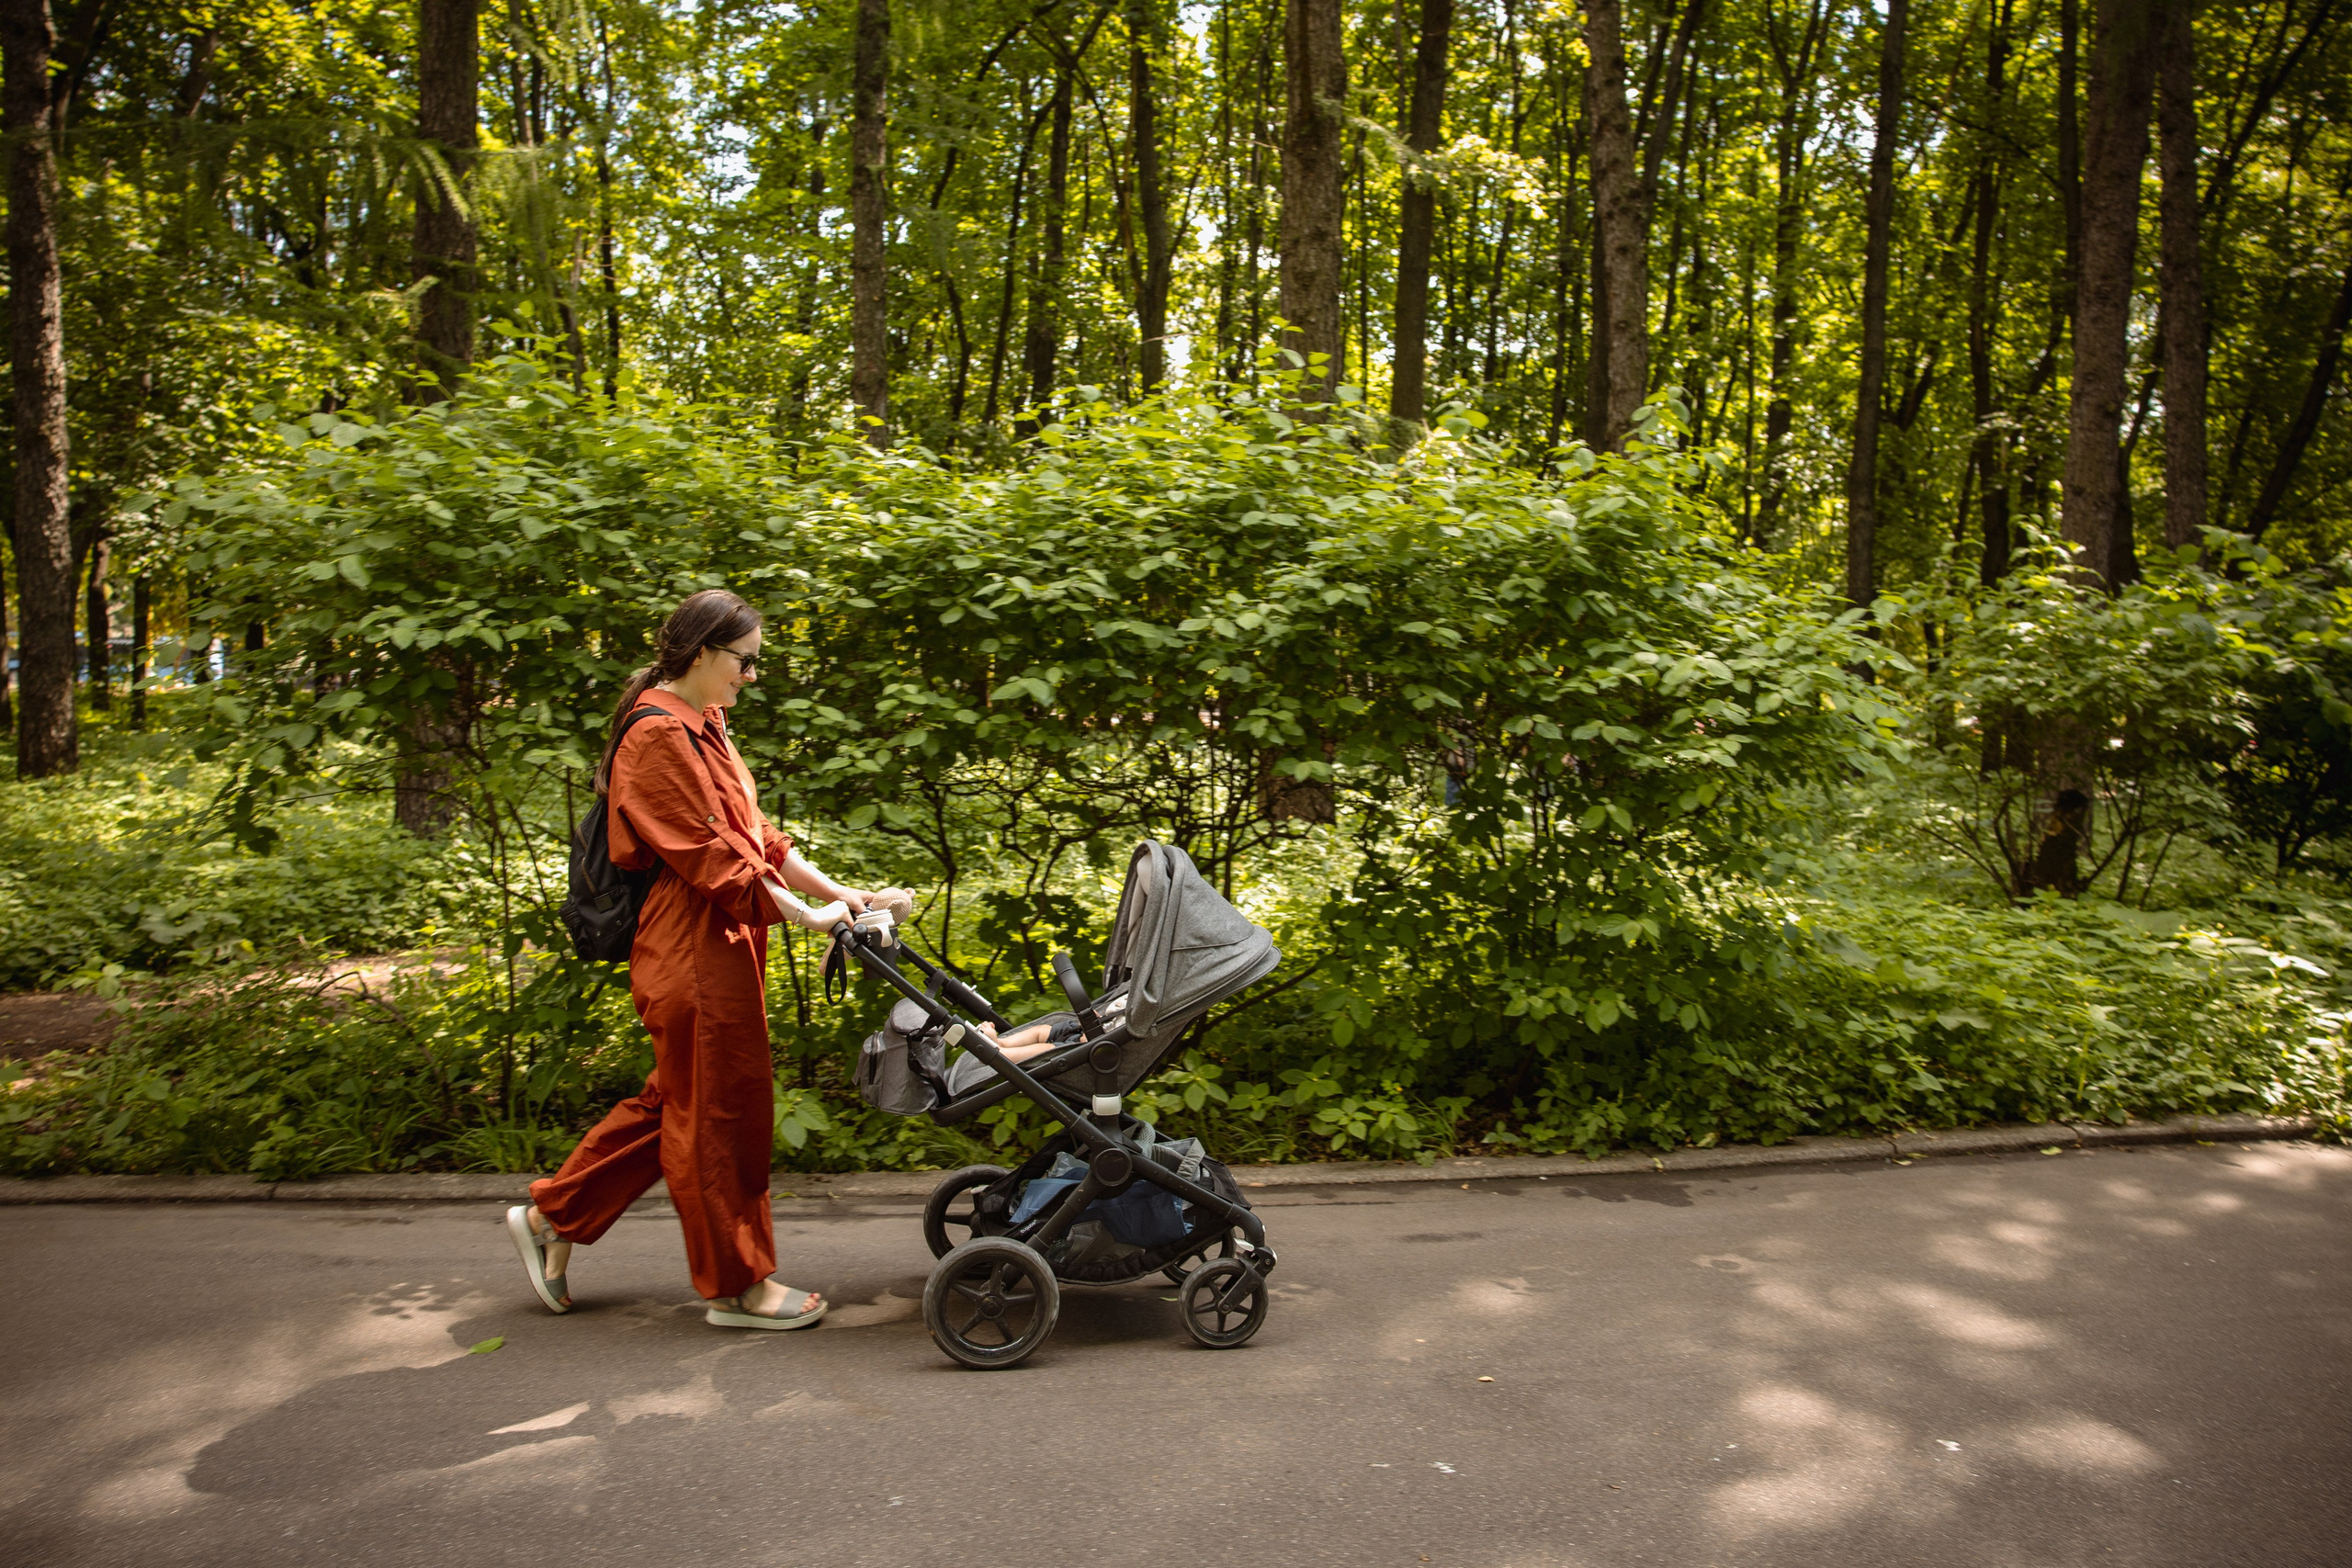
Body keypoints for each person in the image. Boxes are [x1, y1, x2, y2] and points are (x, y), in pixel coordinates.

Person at [503, 589, 898, 1330]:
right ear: (702, 652)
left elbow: (759, 838)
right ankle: (737, 1286)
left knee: (676, 1105)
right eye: (744, 661)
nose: (752, 676)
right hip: (690, 943)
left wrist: (842, 892)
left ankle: (554, 1215)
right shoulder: (654, 737)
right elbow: (714, 862)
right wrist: (804, 915)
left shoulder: (704, 722)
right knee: (718, 1113)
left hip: (725, 934)